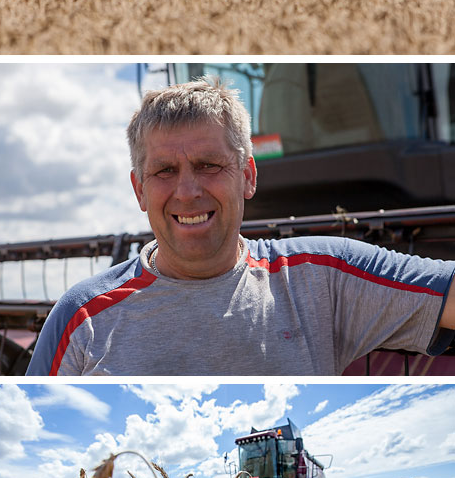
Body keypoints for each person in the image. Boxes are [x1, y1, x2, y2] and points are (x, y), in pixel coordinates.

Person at [26, 80, 455, 377]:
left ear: (248, 175)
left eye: (209, 165)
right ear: (139, 189)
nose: (188, 191)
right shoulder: (80, 317)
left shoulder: (323, 277)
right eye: (164, 171)